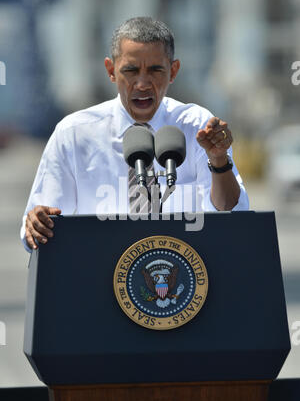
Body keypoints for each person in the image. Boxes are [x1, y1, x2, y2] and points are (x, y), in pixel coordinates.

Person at [20, 17, 249, 253]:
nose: (142, 84)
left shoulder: (197, 127)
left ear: (173, 71)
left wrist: (219, 161)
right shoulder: (74, 134)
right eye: (130, 71)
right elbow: (38, 233)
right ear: (111, 70)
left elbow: (232, 218)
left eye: (155, 70)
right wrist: (37, 224)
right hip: (99, 278)